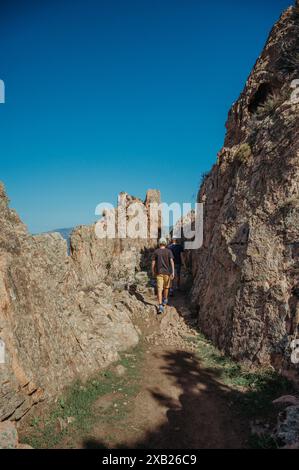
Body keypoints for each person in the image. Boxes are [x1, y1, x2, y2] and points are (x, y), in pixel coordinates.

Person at [151, 237, 175, 314]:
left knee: (159, 289)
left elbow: (153, 263)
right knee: (166, 287)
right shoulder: (169, 251)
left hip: (159, 273)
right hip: (167, 273)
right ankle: (165, 299)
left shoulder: (156, 252)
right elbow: (172, 262)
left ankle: (160, 306)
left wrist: (153, 271)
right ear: (165, 243)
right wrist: (173, 272)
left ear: (159, 243)